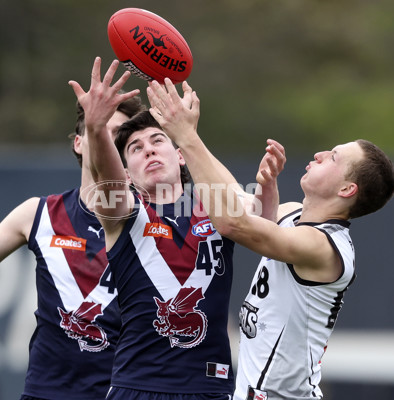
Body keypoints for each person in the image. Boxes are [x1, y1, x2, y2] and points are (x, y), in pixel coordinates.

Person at [146, 78, 394, 400]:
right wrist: (266, 195)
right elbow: (235, 201)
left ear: (347, 190)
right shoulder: (293, 214)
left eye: (333, 157)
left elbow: (231, 223)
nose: (320, 154)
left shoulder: (323, 247)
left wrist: (187, 137)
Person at [0, 84, 144, 399]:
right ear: (78, 143)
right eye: (98, 128)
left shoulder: (152, 218)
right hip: (48, 391)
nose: (106, 139)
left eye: (119, 136)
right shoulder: (38, 214)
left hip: (125, 391)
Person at [68, 57, 259, 400]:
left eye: (158, 140)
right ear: (127, 173)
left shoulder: (213, 207)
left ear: (180, 155)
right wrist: (96, 129)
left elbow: (244, 212)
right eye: (135, 149)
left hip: (210, 388)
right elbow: (108, 181)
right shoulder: (123, 211)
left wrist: (187, 135)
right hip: (139, 387)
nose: (149, 150)